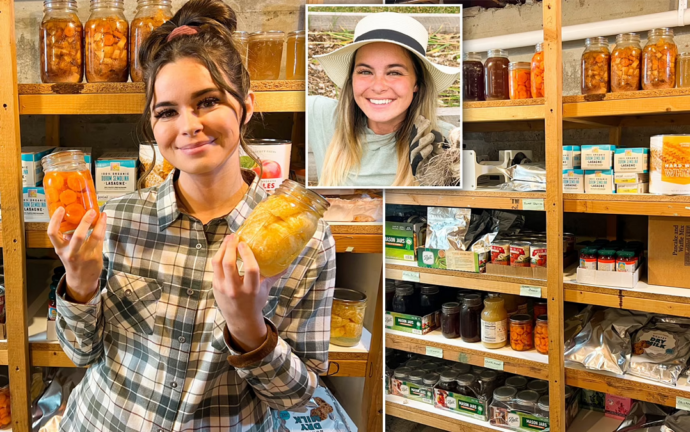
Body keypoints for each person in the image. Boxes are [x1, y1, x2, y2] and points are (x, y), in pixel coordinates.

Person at [46, 1, 335, 430]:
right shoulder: (118, 219)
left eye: (208, 101)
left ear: (246, 106)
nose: (188, 125)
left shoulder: (304, 239)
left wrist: (248, 329)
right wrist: (79, 286)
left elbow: (296, 398)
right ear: (152, 124)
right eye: (167, 111)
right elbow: (80, 354)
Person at [308, 12, 461, 187]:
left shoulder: (445, 144)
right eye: (365, 71)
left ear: (416, 83)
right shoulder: (321, 116)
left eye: (394, 72)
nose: (378, 87)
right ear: (351, 79)